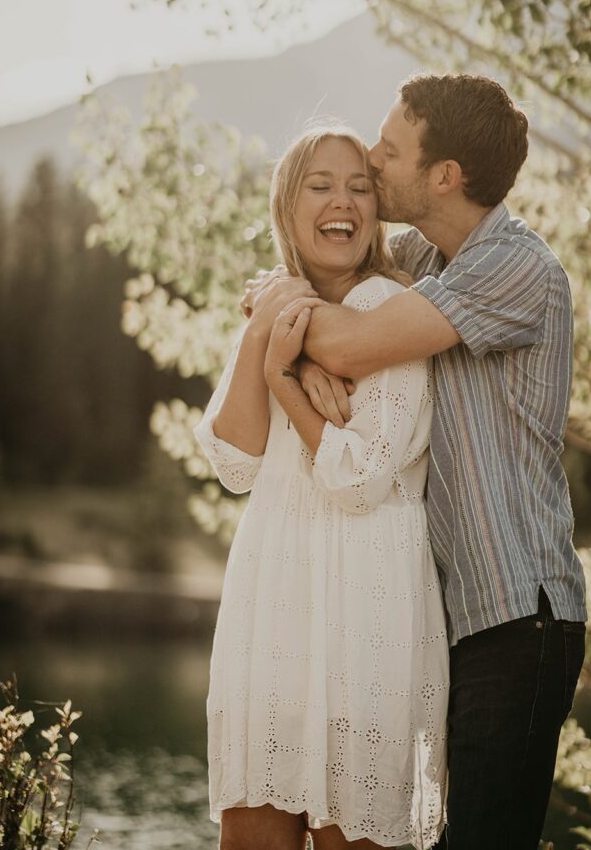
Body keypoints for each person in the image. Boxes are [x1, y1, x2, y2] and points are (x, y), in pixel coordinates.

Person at [244, 74, 587, 850]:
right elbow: (309, 269)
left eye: (389, 151)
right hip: (444, 617)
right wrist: (284, 312)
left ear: (444, 176)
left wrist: (293, 356)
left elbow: (347, 335)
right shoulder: (422, 252)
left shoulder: (516, 268)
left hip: (518, 619)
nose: (371, 159)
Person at [194, 124, 450, 850]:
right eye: (319, 185)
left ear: (377, 212)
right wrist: (270, 344)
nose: (341, 202)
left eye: (359, 187)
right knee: (252, 829)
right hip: (273, 596)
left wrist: (286, 376)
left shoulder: (392, 310)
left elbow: (360, 477)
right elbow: (234, 461)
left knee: (356, 833)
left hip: (364, 600)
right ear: (285, 207)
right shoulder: (276, 304)